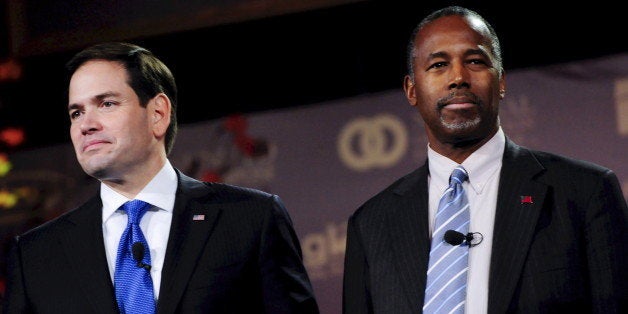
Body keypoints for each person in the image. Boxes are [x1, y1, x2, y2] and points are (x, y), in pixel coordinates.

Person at [342, 6, 627, 314]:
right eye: (438, 64)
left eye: (475, 61)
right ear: (412, 90)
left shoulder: (584, 192)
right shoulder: (371, 224)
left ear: (501, 82)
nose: (458, 78)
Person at [2, 42, 319, 314]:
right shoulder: (36, 255)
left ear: (158, 113)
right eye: (76, 113)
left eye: (106, 104)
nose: (86, 124)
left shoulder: (250, 219)